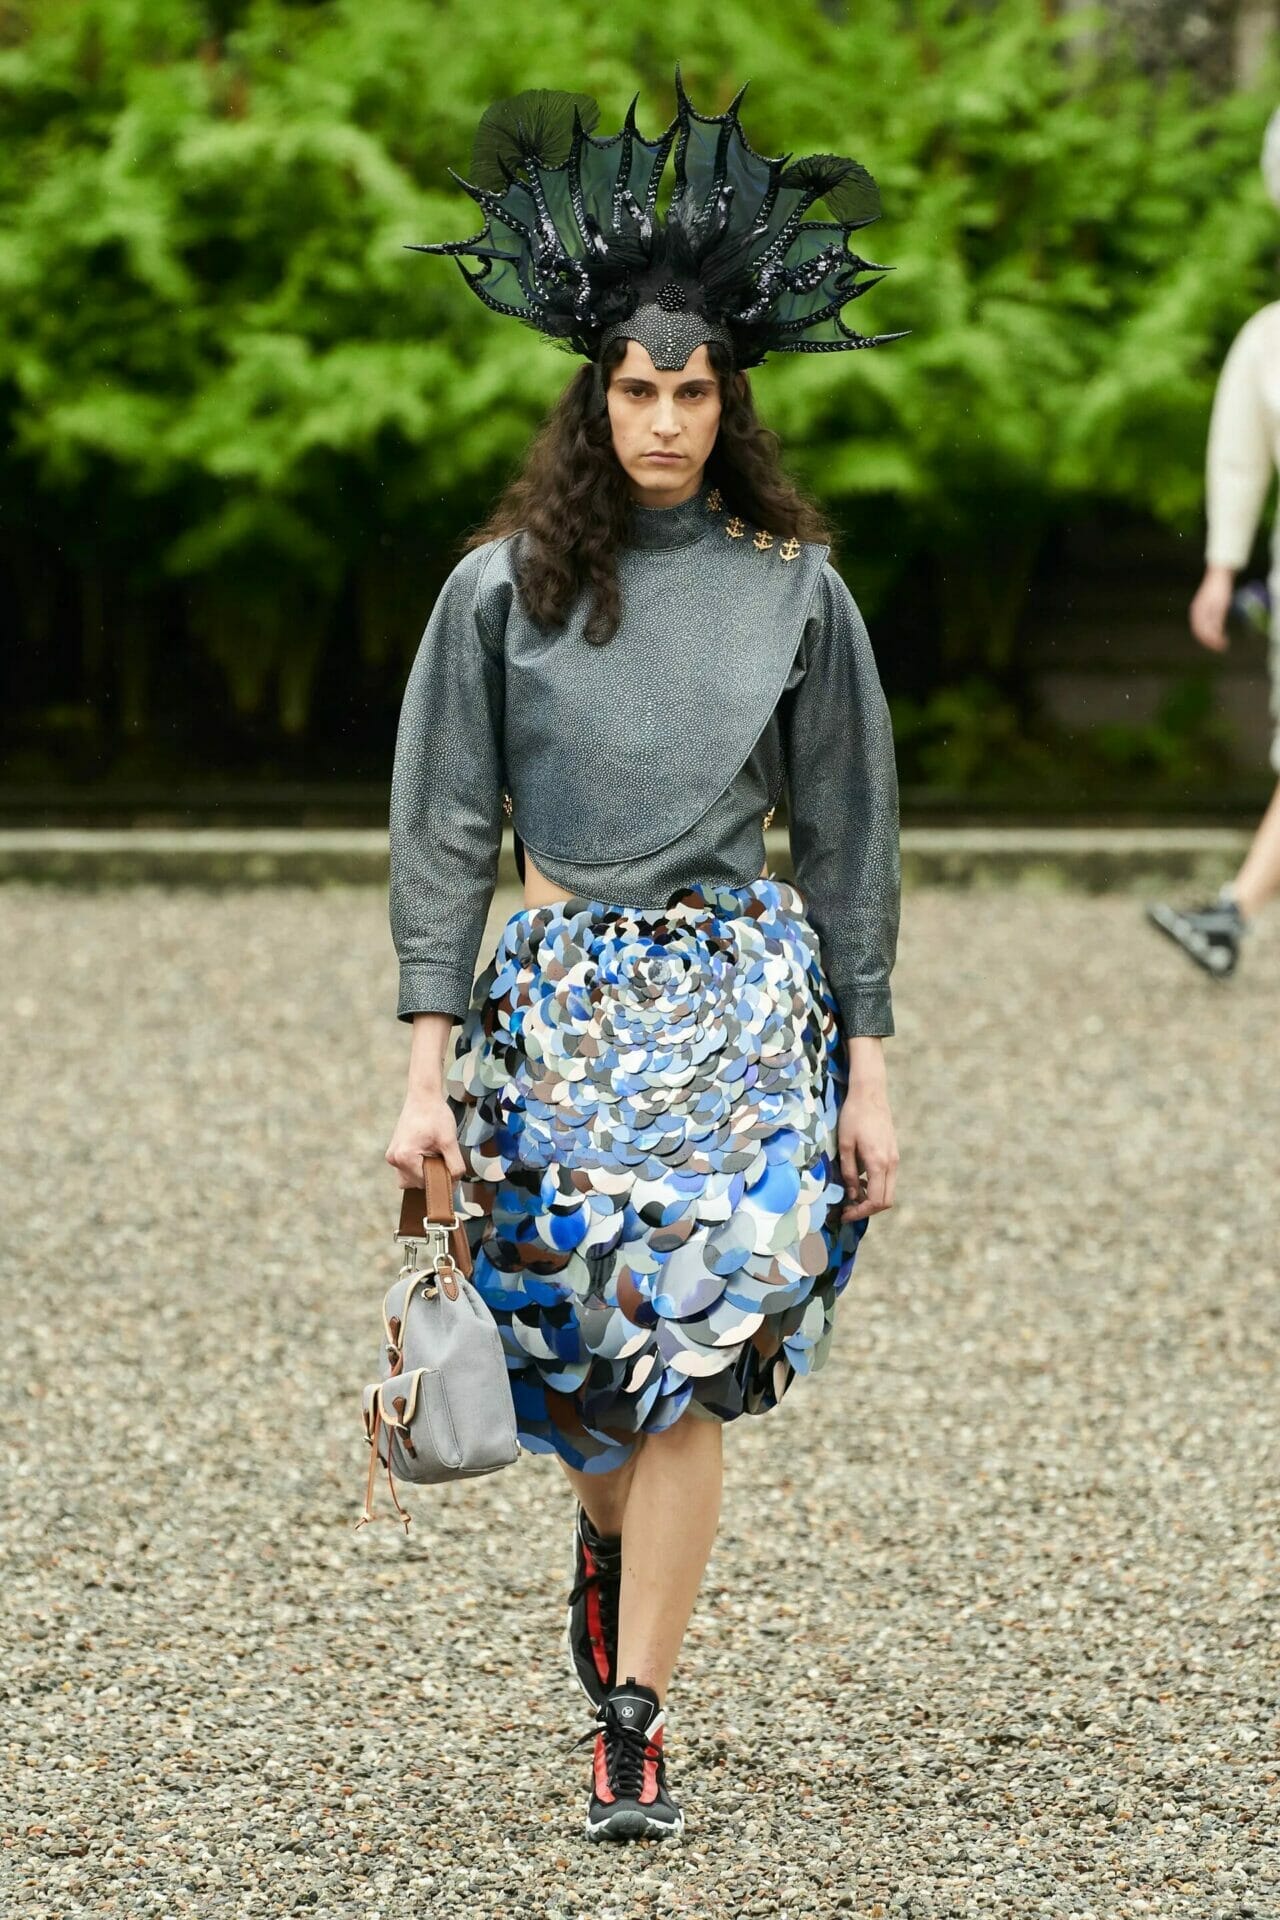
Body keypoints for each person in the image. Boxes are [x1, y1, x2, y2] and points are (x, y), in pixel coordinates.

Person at [382, 69, 904, 1843]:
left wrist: (872, 1072)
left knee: (698, 1348)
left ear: (727, 399)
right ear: (593, 395)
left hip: (746, 1003)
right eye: (636, 388)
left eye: (692, 391)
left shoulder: (794, 588)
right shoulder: (498, 595)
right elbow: (444, 833)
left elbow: (850, 838)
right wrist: (420, 1079)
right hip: (556, 1003)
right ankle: (609, 1563)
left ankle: (635, 1716)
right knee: (587, 1386)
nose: (664, 418)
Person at [1147, 108, 1280, 975]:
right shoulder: (1267, 339)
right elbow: (1238, 458)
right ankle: (1233, 914)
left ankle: (1233, 913)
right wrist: (1222, 568)